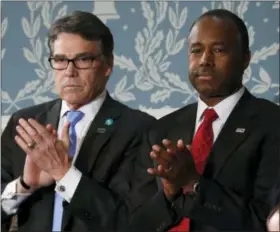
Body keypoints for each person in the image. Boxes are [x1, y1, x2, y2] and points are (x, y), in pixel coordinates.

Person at [1, 11, 155, 232]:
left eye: (84, 59)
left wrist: (64, 174)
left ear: (108, 65)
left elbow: (130, 221)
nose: (70, 72)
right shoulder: (25, 123)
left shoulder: (140, 129)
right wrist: (24, 185)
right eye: (61, 60)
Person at [128, 9, 280, 231]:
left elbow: (265, 222)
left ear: (246, 59)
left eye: (218, 50)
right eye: (196, 50)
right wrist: (169, 194)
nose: (205, 60)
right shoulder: (161, 130)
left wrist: (193, 184)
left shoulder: (272, 123)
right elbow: (135, 224)